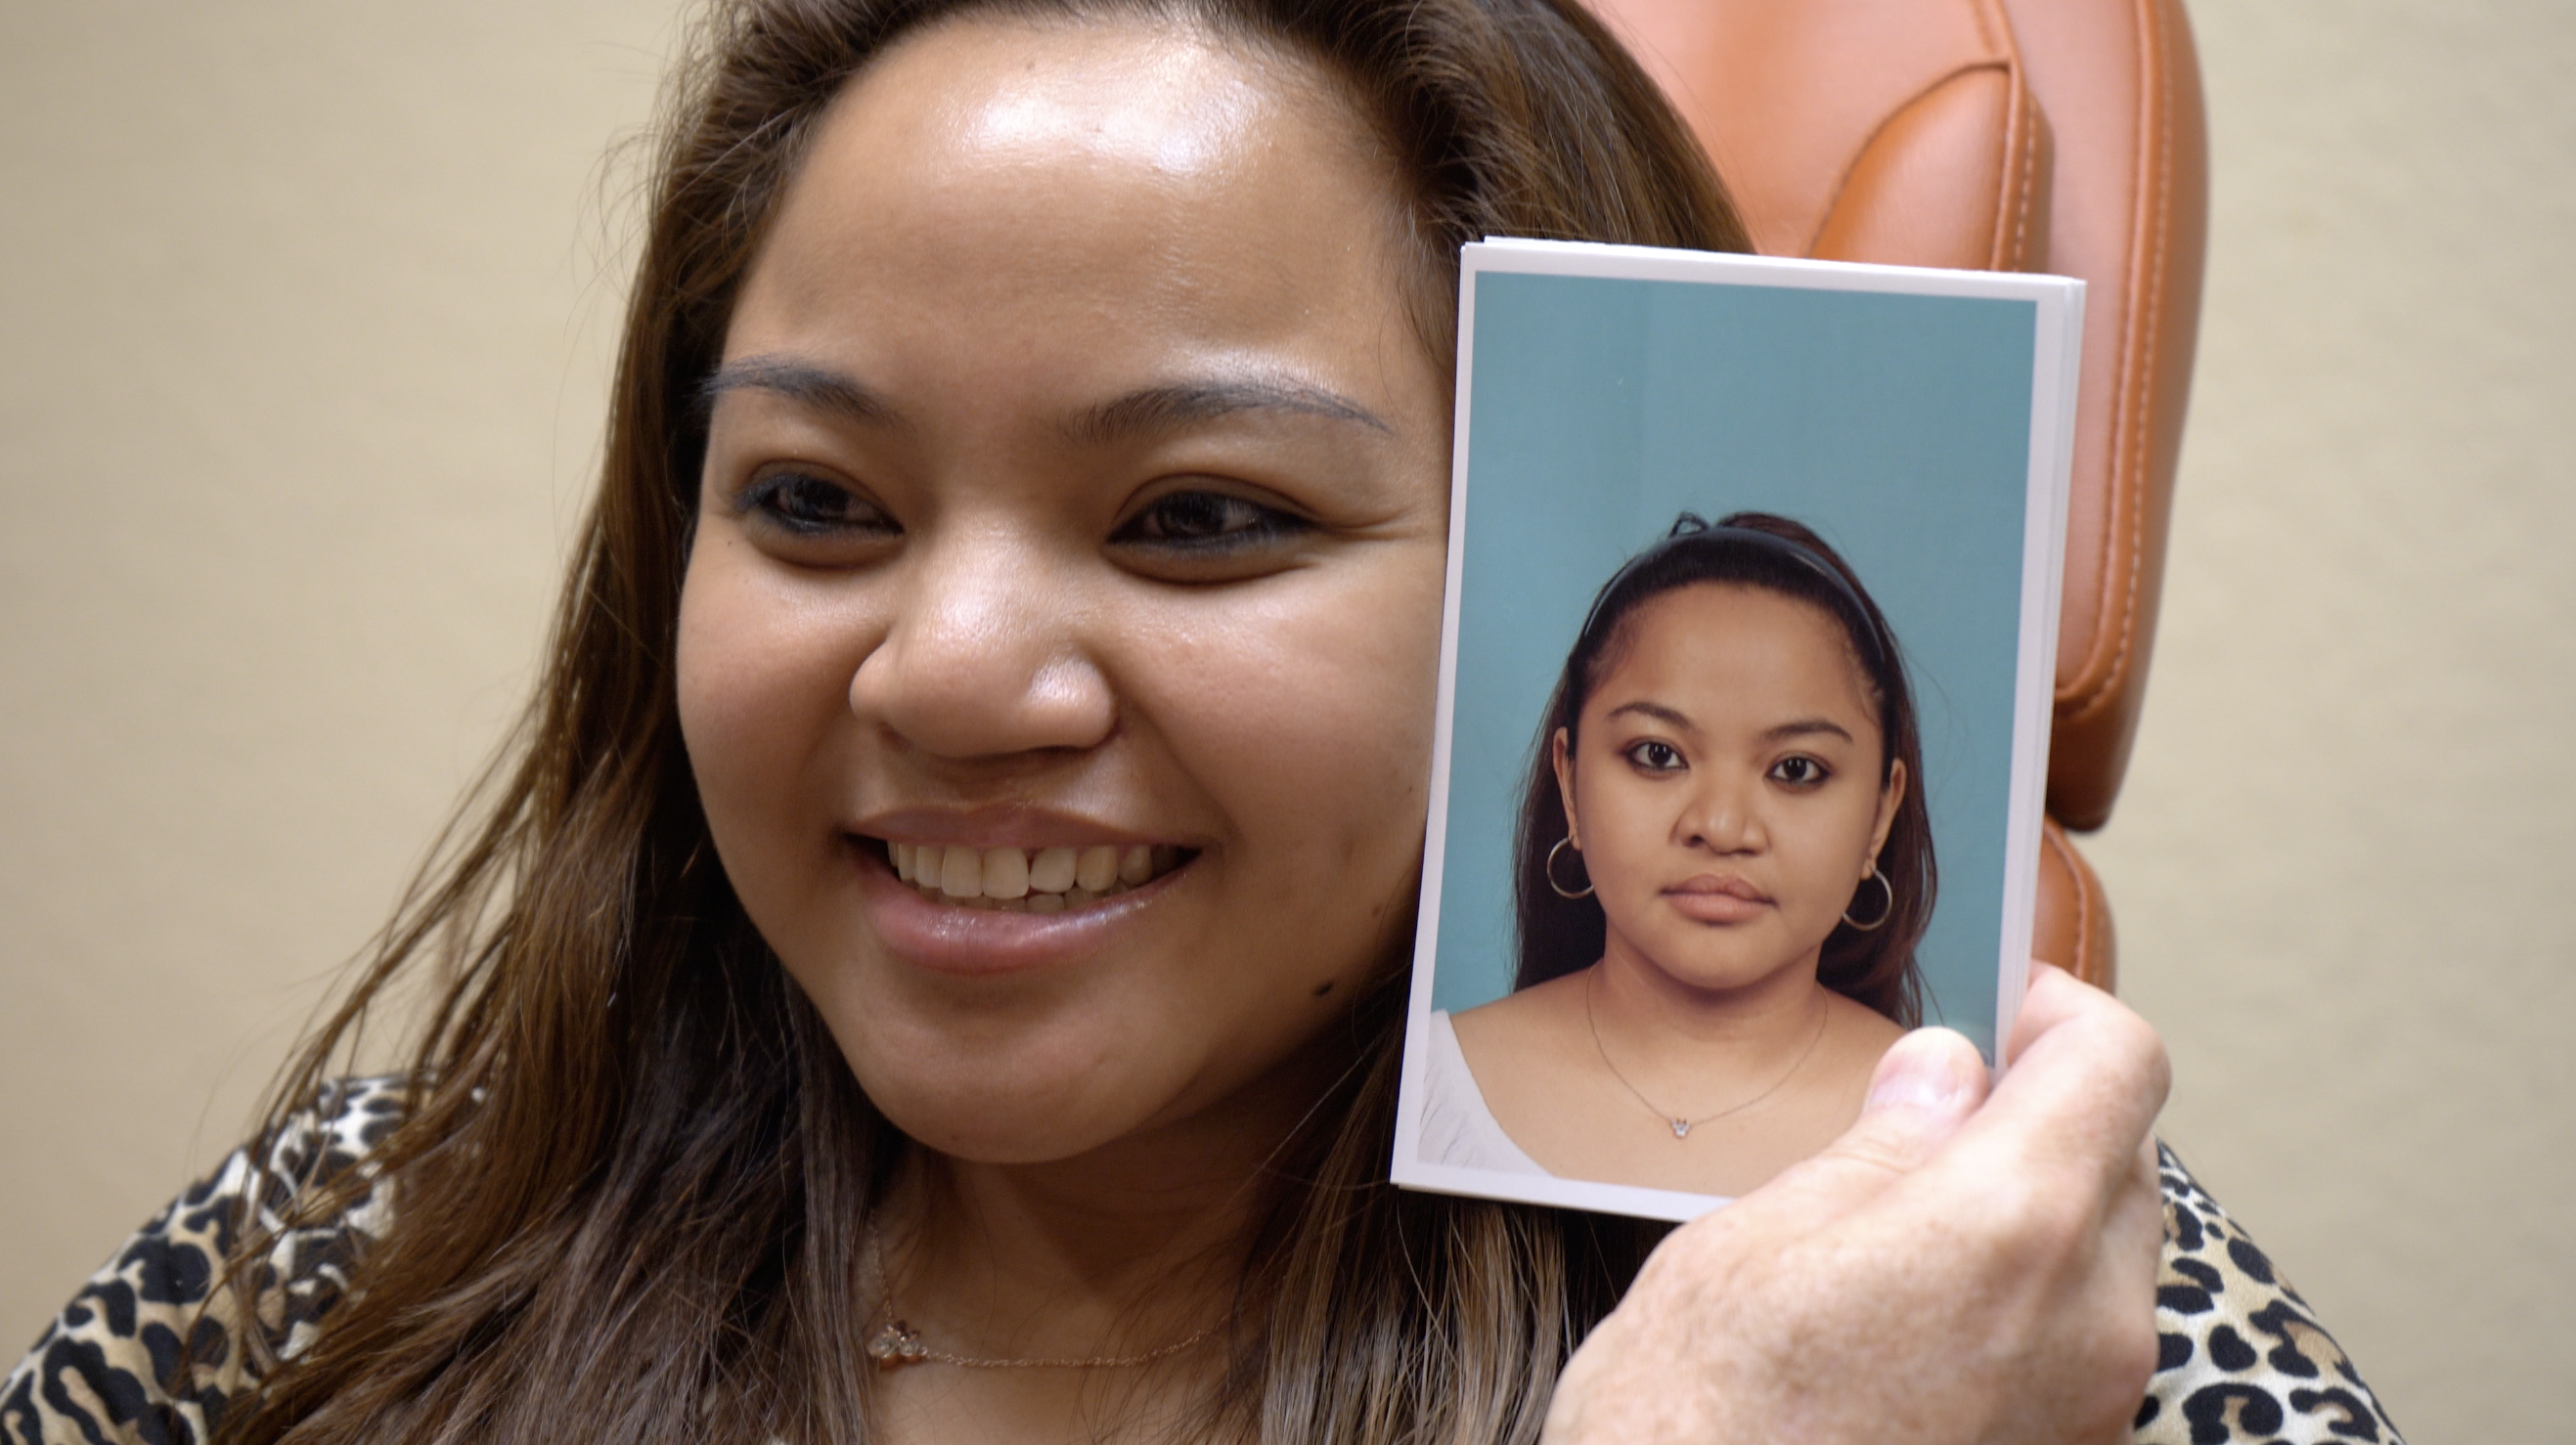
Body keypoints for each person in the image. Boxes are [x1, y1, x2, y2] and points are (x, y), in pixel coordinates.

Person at [0, 0, 2402, 1442]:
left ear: (1561, 614)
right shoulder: (365, 1246)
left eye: (1199, 520)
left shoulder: (1959, 1308)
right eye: (818, 498)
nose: (946, 674)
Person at [1425, 513, 1936, 1197]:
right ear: (1572, 786)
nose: (1721, 827)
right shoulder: (1424, 1085)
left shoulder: (1963, 1140)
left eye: (1796, 770)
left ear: (1880, 814)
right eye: (1657, 755)